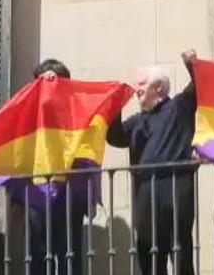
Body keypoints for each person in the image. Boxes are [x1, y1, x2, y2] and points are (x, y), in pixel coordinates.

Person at [106, 50, 198, 275]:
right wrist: (115, 106)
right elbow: (115, 136)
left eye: (142, 84)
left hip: (175, 190)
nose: (137, 89)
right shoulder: (138, 121)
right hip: (145, 194)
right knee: (149, 256)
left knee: (181, 256)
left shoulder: (179, 107)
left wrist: (191, 65)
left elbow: (200, 86)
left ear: (159, 87)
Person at [26, 58, 90, 275]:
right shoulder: (27, 111)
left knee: (68, 256)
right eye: (43, 84)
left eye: (54, 83)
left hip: (69, 191)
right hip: (37, 190)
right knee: (38, 255)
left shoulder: (78, 110)